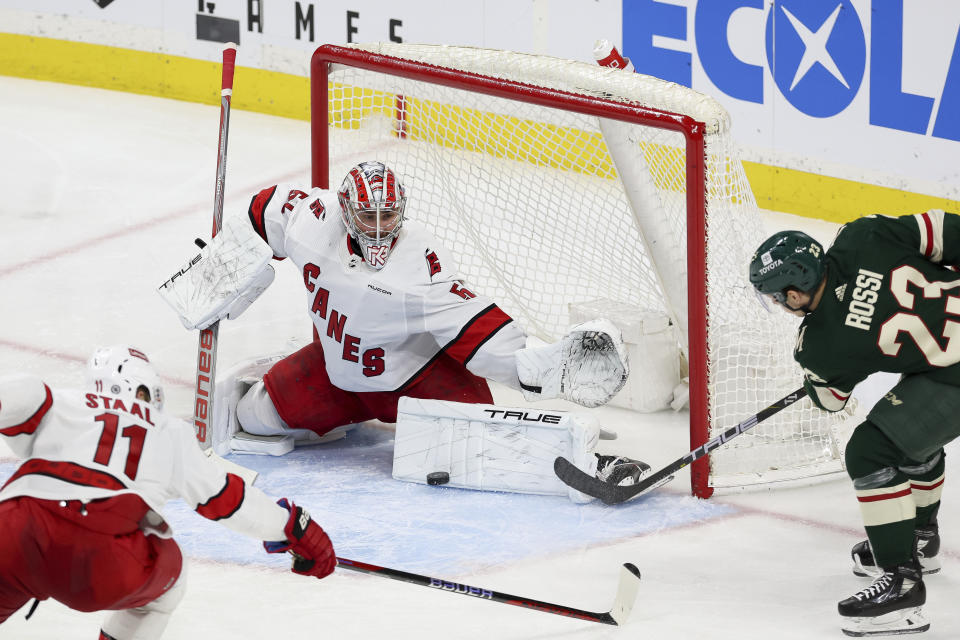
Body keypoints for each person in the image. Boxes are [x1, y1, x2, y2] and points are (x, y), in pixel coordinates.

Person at [158, 161, 633, 490]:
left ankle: (575, 454)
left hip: (416, 380)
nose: (381, 227)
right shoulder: (312, 219)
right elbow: (263, 209)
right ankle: (340, 418)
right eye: (369, 214)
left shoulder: (418, 266)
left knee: (486, 444)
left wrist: (548, 367)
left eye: (390, 214)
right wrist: (223, 268)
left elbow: (478, 331)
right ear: (345, 209)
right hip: (339, 375)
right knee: (252, 418)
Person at [0, 345, 337, 640]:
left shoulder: (57, 401)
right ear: (144, 391)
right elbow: (229, 503)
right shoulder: (168, 430)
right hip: (102, 556)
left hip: (13, 531)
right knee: (165, 589)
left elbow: (17, 398)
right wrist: (293, 526)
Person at [748, 209, 960, 636]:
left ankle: (902, 588)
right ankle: (918, 537)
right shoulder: (864, 234)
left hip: (953, 372)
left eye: (775, 296)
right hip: (943, 363)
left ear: (794, 295)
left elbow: (831, 401)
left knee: (871, 451)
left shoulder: (820, 345)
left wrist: (817, 381)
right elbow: (950, 231)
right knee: (907, 431)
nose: (779, 304)